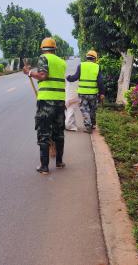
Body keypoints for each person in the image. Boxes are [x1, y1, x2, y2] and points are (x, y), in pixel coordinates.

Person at [23, 37, 67, 175]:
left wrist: (29, 72)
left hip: (46, 102)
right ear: (55, 49)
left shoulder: (43, 58)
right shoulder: (61, 62)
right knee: (59, 133)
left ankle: (44, 167)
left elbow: (43, 75)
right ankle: (59, 162)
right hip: (60, 102)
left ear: (42, 48)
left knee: (43, 133)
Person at [66, 50, 105, 133]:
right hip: (93, 93)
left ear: (87, 57)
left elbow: (75, 77)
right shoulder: (97, 67)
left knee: (84, 109)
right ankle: (93, 124)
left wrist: (68, 77)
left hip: (82, 93)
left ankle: (88, 126)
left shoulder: (81, 65)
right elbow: (100, 82)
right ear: (95, 59)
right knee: (92, 109)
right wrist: (102, 93)